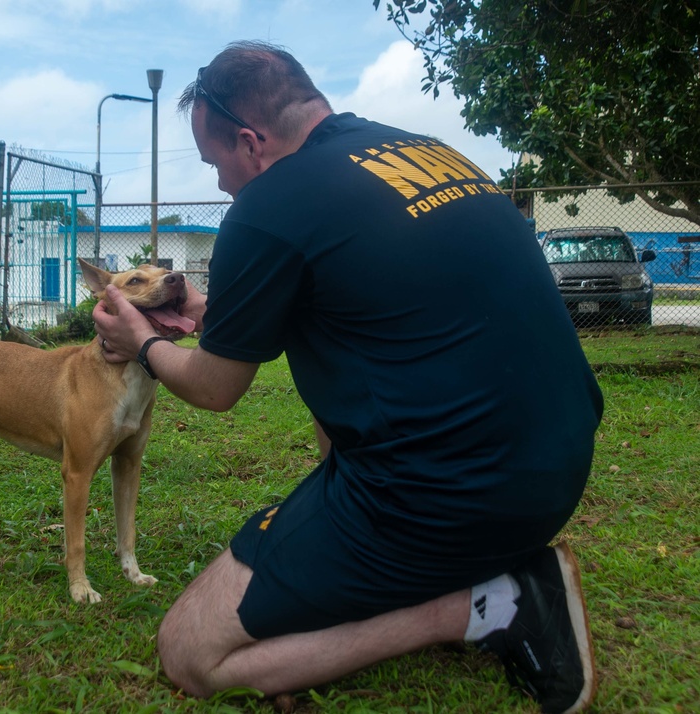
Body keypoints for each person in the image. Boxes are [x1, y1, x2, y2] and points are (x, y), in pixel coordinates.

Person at [92, 40, 603, 714]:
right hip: (554, 472)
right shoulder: (424, 152)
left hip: (446, 498)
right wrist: (201, 312)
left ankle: (491, 605)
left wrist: (140, 341)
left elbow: (215, 389)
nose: (219, 185)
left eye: (216, 164)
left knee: (190, 651)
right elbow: (356, 301)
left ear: (250, 143)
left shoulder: (269, 202)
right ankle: (455, 562)